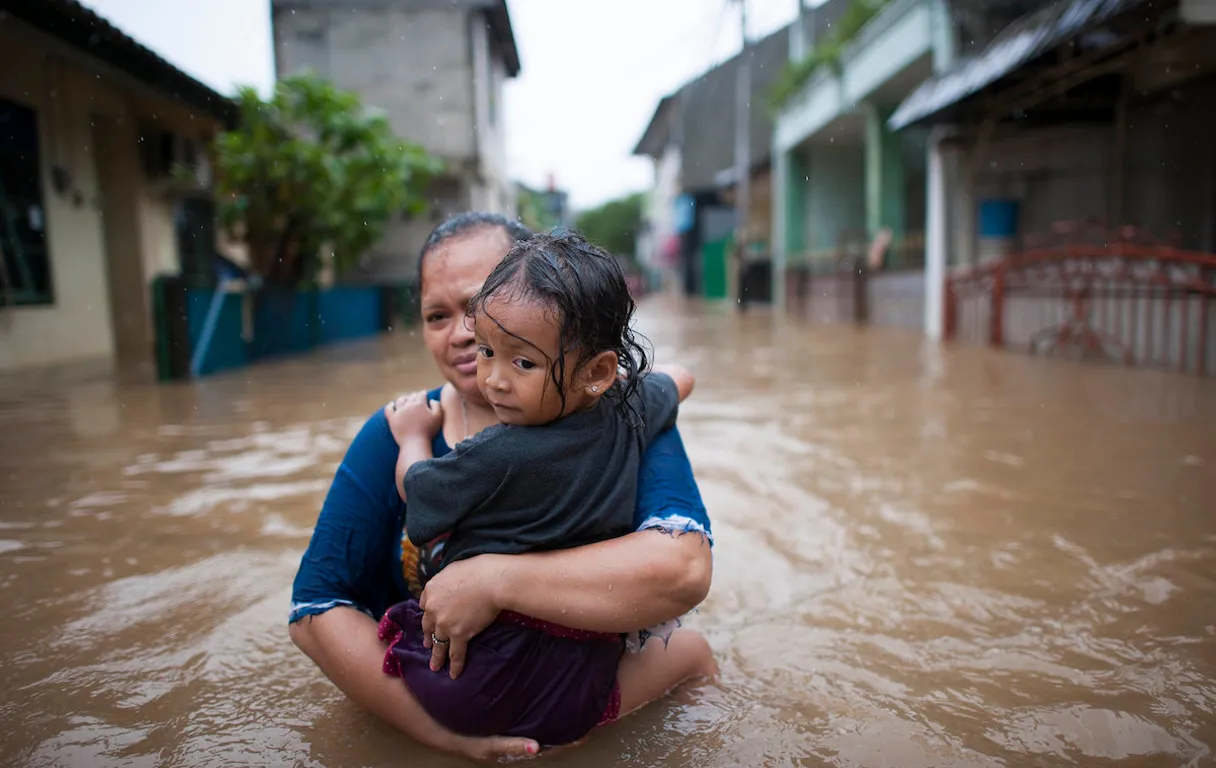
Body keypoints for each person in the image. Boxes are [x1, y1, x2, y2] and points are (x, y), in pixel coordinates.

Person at [288, 212, 716, 763]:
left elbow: (681, 569)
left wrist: (493, 581)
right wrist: (440, 737)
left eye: (480, 302)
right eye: (436, 315)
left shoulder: (621, 411)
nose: (465, 332)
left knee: (692, 655)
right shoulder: (395, 428)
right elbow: (315, 608)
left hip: (520, 694)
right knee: (690, 652)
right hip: (463, 708)